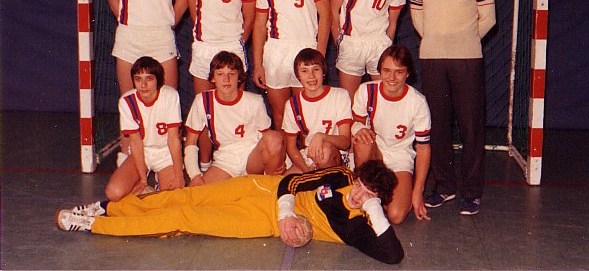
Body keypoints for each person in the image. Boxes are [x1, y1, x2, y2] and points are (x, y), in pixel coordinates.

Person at [56, 160, 404, 265]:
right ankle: (110, 207)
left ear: (377, 202)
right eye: (361, 185)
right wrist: (286, 212)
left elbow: (393, 256)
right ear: (355, 178)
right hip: (264, 190)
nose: (358, 195)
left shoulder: (359, 228)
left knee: (186, 219)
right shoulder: (341, 176)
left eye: (369, 196)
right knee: (187, 198)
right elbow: (292, 181)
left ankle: (94, 224)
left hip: (261, 222)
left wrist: (374, 210)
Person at [409, 0, 496, 216]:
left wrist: (463, 40)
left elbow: (488, 18)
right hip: (432, 59)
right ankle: (444, 187)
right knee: (438, 125)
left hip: (467, 60)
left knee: (471, 126)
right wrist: (438, 39)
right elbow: (418, 19)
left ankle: (472, 193)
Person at [105, 0, 187, 162]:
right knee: (129, 102)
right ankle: (128, 158)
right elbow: (114, 0)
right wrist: (134, 22)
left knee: (167, 101)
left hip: (161, 36)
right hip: (129, 37)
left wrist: (165, 23)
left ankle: (168, 163)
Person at [184, 0, 257, 169]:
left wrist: (236, 44)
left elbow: (249, 18)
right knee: (205, 111)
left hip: (232, 48)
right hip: (204, 48)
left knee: (235, 111)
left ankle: (238, 165)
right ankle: (205, 164)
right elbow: (194, 13)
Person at [252, 0, 331, 130]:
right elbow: (259, 26)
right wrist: (258, 63)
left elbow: (326, 15)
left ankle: (307, 152)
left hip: (306, 49)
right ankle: (285, 152)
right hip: (276, 52)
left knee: (306, 114)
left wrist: (320, 54)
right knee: (280, 114)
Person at [351, 45, 431, 224]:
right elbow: (355, 122)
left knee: (396, 216)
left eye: (399, 72)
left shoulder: (417, 102)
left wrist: (417, 192)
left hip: (400, 156)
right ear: (379, 70)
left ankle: (379, 197)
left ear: (407, 73)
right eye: (386, 71)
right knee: (362, 139)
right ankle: (363, 187)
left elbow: (423, 148)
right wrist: (358, 129)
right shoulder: (366, 91)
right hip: (375, 151)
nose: (392, 77)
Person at [183, 51, 286, 184]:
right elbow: (190, 142)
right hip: (225, 161)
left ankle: (267, 184)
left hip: (253, 158)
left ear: (239, 77)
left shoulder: (254, 101)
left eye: (231, 74)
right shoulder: (203, 100)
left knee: (274, 137)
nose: (226, 79)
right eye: (220, 74)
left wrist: (281, 160)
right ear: (212, 78)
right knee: (199, 192)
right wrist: (195, 175)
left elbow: (270, 139)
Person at [104, 57, 184, 201]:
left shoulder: (170, 96)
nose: (143, 85)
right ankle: (143, 186)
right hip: (143, 152)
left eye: (149, 79)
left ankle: (161, 183)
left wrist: (179, 176)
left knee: (173, 198)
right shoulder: (127, 101)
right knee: (114, 193)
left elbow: (173, 139)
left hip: (165, 153)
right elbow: (135, 142)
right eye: (138, 79)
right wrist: (143, 180)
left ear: (158, 80)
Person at [282, 48, 352, 173]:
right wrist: (306, 170)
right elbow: (291, 147)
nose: (311, 76)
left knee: (324, 154)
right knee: (284, 182)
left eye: (316, 69)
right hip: (309, 156)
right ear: (298, 76)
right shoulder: (293, 104)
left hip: (335, 153)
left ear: (323, 72)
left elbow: (345, 142)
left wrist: (322, 137)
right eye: (304, 71)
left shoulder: (340, 95)